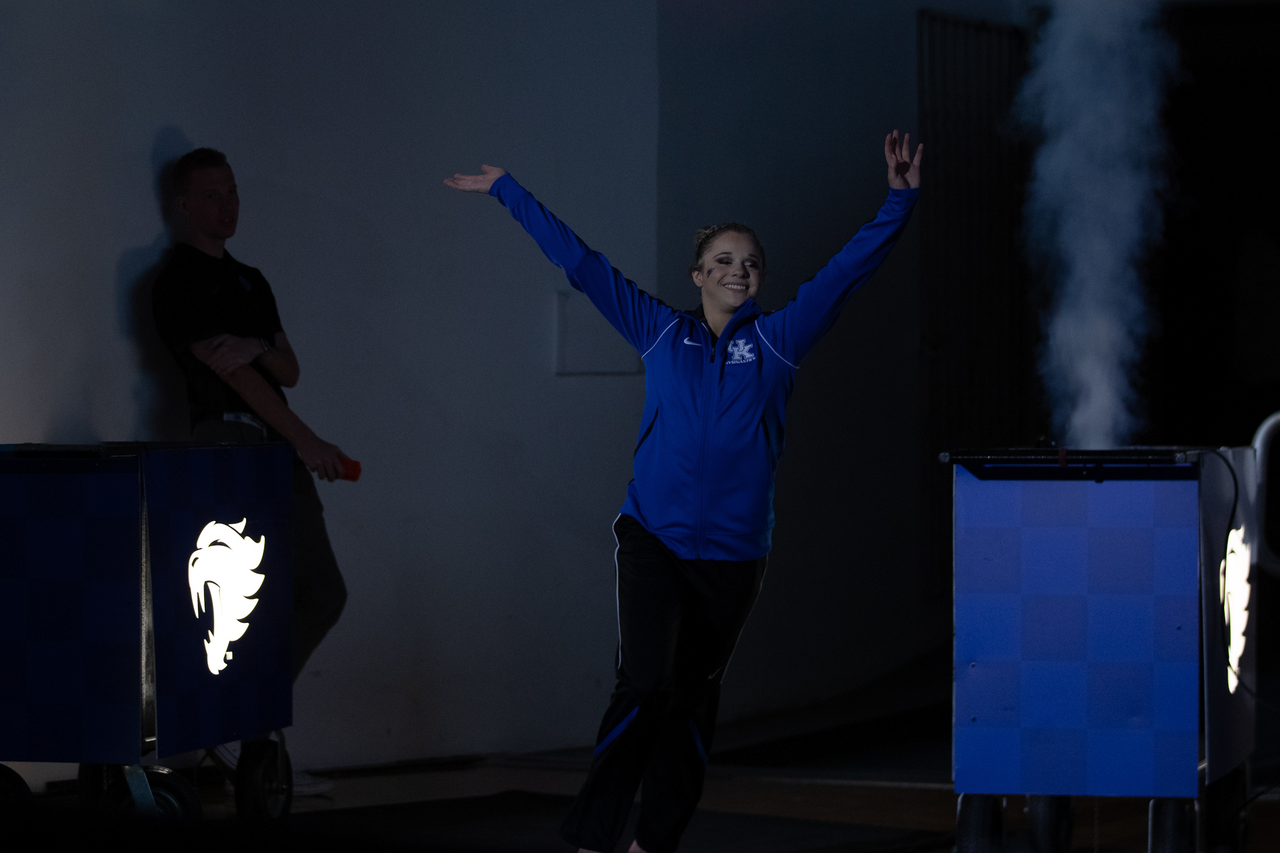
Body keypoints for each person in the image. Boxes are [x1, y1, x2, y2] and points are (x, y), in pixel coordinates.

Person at [445, 131, 922, 853]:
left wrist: (899, 201)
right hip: (654, 539)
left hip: (733, 557)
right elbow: (583, 264)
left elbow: (848, 270)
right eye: (723, 260)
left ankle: (655, 841)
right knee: (643, 681)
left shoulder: (779, 343)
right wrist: (510, 191)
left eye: (750, 263)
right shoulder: (662, 332)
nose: (738, 271)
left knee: (692, 697)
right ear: (697, 273)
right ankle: (593, 838)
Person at [152, 147, 352, 793]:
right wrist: (305, 438)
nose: (227, 205)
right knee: (246, 599)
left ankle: (246, 717)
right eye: (212, 195)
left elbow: (287, 369)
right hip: (230, 442)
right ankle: (240, 726)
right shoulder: (178, 280)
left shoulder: (251, 280)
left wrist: (257, 344)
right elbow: (234, 375)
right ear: (184, 204)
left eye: (233, 192)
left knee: (322, 590)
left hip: (275, 443)